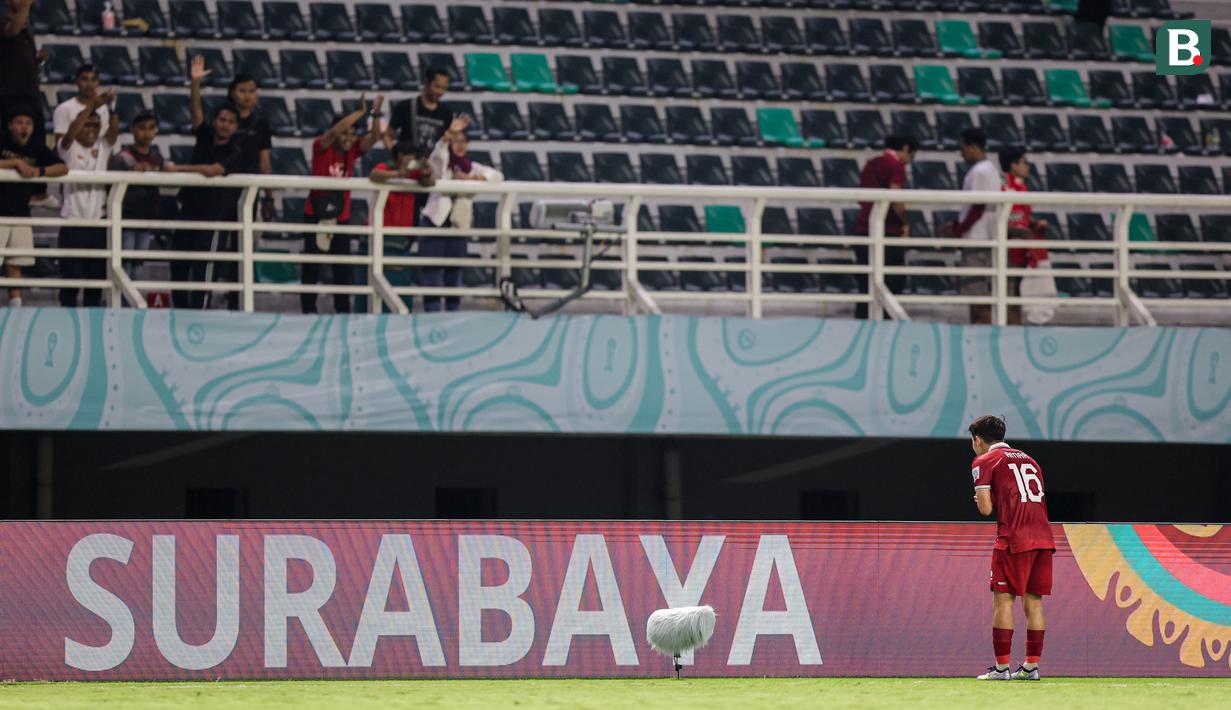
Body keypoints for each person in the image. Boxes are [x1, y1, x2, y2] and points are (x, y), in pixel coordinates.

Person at [968, 415, 1054, 682]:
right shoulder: (1030, 459)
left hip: (1013, 539)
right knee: (1034, 603)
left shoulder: (984, 461)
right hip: (1042, 537)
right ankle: (1031, 667)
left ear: (978, 440)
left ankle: (1002, 669)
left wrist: (983, 497)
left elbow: (985, 509)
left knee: (1004, 601)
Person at [300, 93, 385, 314]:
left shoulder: (353, 150)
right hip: (315, 215)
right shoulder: (321, 146)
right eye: (344, 133)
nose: (348, 138)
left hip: (341, 216)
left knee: (342, 268)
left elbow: (374, 137)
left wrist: (374, 114)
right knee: (312, 268)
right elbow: (333, 132)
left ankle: (343, 313)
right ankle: (308, 312)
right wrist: (358, 112)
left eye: (352, 133)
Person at [421, 114, 501, 312]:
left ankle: (451, 315)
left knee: (454, 275)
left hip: (459, 226)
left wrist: (471, 178)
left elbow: (497, 176)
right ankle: (431, 316)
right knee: (431, 275)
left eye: (463, 141)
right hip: (435, 222)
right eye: (455, 141)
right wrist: (447, 135)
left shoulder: (471, 167)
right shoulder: (442, 164)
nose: (460, 145)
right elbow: (436, 157)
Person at [171, 103, 245, 309]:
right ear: (214, 122)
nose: (225, 125)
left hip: (212, 218)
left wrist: (177, 169)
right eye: (222, 120)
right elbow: (196, 113)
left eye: (230, 122)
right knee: (178, 266)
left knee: (204, 269)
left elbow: (213, 170)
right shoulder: (204, 137)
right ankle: (178, 311)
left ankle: (199, 313)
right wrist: (195, 82)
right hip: (187, 211)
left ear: (236, 128)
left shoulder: (235, 151)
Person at [0, 104, 67, 306]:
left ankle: (16, 308)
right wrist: (15, 164)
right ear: (10, 125)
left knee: (16, 263)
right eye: (19, 122)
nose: (24, 127)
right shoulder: (1, 139)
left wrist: (39, 172)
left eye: (28, 123)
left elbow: (63, 167)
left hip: (20, 214)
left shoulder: (36, 146)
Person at [57, 90, 119, 307]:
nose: (91, 129)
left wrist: (110, 108)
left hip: (98, 223)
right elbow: (71, 129)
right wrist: (92, 106)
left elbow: (113, 131)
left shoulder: (103, 147)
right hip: (73, 222)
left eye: (95, 126)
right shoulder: (68, 148)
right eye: (87, 125)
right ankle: (67, 328)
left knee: (95, 285)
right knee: (70, 284)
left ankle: (92, 333)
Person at [189, 56, 274, 214]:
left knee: (243, 236)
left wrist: (269, 197)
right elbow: (196, 114)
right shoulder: (220, 119)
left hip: (246, 189)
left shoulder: (261, 125)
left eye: (252, 91)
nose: (247, 96)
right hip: (215, 189)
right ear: (232, 93)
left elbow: (264, 164)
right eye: (242, 91)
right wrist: (195, 83)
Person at [852, 134, 917, 319]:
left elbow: (861, 197)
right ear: (905, 148)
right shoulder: (896, 166)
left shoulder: (870, 164)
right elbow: (896, 198)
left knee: (866, 287)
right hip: (887, 233)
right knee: (891, 285)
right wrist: (905, 222)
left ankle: (863, 327)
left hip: (864, 230)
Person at [368, 141, 435, 312]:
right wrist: (399, 173)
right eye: (405, 155)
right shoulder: (387, 167)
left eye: (412, 155)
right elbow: (374, 174)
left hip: (403, 238)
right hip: (381, 235)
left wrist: (426, 170)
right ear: (398, 156)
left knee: (400, 284)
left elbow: (431, 182)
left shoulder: (415, 173)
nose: (409, 159)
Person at [946, 128, 1002, 325]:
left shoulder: (979, 172)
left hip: (977, 236)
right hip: (986, 234)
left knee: (977, 296)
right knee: (980, 296)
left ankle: (980, 337)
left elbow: (977, 206)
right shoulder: (990, 169)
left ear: (973, 147)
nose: (962, 153)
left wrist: (958, 231)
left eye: (963, 148)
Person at [108, 110, 165, 280]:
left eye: (151, 128)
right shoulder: (123, 158)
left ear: (156, 130)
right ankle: (121, 304)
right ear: (132, 130)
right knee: (124, 264)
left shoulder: (157, 158)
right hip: (125, 219)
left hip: (146, 218)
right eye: (142, 128)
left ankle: (129, 304)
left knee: (138, 266)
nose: (147, 132)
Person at [999, 146, 1051, 327]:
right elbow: (1009, 217)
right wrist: (1023, 225)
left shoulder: (1021, 187)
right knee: (1010, 294)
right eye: (1024, 163)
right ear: (1013, 165)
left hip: (1022, 249)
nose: (1028, 167)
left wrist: (1033, 224)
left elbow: (1020, 217)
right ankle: (1009, 331)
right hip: (1011, 249)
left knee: (1017, 294)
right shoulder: (1006, 187)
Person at [384, 66, 453, 163]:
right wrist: (397, 155)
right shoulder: (405, 106)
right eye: (437, 86)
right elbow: (387, 136)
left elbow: (447, 142)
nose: (440, 92)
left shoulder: (446, 112)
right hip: (407, 166)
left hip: (433, 167)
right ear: (426, 84)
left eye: (444, 88)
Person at [0, 0, 43, 144]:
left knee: (36, 140)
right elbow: (12, 31)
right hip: (10, 92)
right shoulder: (4, 18)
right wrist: (26, 4)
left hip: (30, 91)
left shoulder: (26, 24)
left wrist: (37, 59)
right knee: (8, 142)